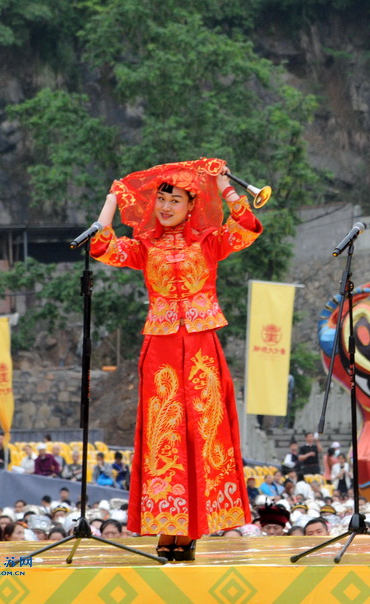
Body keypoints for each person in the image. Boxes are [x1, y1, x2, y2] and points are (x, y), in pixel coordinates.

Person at [89, 158, 260, 561]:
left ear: (191, 205)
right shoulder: (145, 246)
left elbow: (249, 227)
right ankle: (169, 528)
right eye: (160, 199)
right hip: (162, 350)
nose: (165, 207)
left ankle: (195, 529)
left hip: (201, 346)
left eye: (175, 200)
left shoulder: (209, 241)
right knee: (164, 437)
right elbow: (100, 245)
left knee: (204, 432)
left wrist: (225, 187)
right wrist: (114, 198)